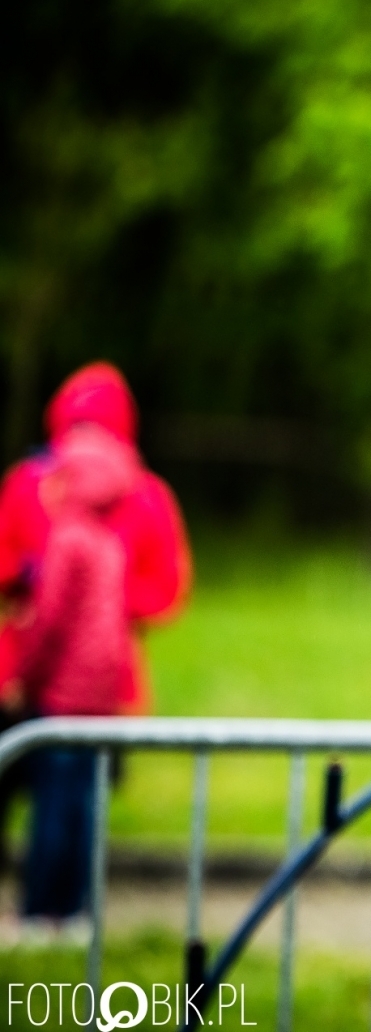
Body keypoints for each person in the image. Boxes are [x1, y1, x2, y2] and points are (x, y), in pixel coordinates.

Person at [0, 362, 190, 932]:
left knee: (46, 796)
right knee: (81, 799)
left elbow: (36, 600)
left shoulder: (40, 489)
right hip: (109, 681)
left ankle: (42, 913)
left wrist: (46, 597)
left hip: (37, 675)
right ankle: (76, 910)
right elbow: (166, 589)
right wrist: (111, 611)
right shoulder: (144, 497)